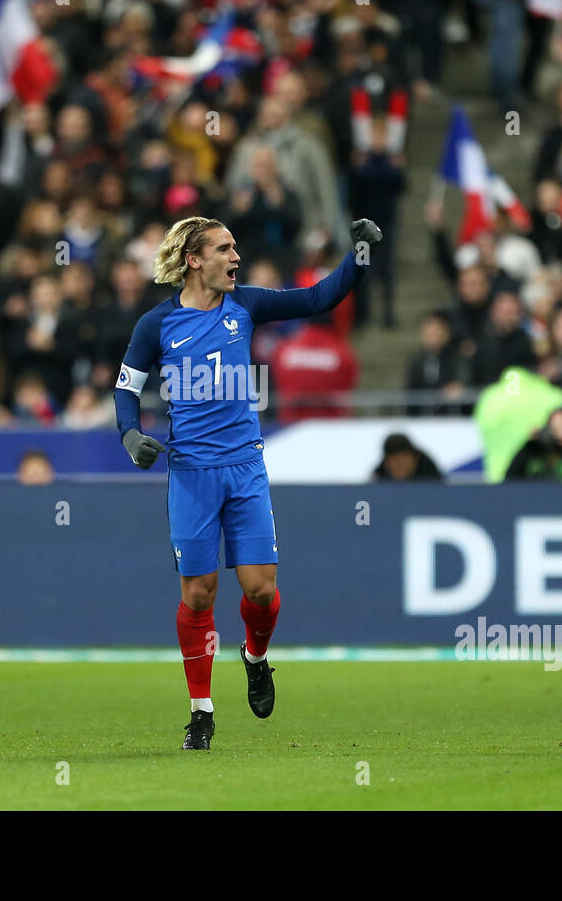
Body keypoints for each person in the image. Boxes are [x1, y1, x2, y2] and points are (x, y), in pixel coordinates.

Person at [114, 215, 383, 750]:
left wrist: (358, 256)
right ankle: (201, 710)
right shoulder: (156, 325)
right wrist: (129, 433)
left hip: (245, 469)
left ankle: (255, 658)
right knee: (198, 595)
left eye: (236, 247)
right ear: (195, 260)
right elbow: (127, 386)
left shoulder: (248, 305)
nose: (236, 257)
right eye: (225, 249)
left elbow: (317, 299)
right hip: (191, 474)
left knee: (261, 591)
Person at [373, 433, 442, 481]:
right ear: (386, 463)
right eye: (394, 461)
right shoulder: (378, 478)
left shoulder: (432, 478)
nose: (399, 466)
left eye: (403, 461)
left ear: (414, 459)